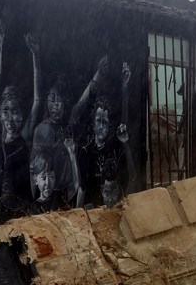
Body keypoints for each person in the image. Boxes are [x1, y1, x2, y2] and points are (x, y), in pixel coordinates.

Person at [31, 56, 105, 206]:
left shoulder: (69, 126)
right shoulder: (41, 130)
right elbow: (32, 169)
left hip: (68, 197)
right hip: (47, 200)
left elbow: (81, 104)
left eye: (60, 99)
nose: (56, 105)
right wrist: (36, 200)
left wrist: (98, 74)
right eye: (52, 99)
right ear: (46, 100)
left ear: (66, 100)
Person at [0, 21, 42, 222]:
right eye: (6, 111)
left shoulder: (25, 135)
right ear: (0, 113)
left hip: (22, 212)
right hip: (0, 212)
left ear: (21, 115)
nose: (10, 117)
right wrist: (0, 46)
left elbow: (38, 100)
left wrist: (35, 55)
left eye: (14, 112)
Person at [78, 62, 136, 208]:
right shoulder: (86, 152)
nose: (102, 126)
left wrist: (124, 86)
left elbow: (132, 175)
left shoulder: (114, 149)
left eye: (105, 121)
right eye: (98, 121)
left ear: (109, 124)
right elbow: (81, 187)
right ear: (93, 123)